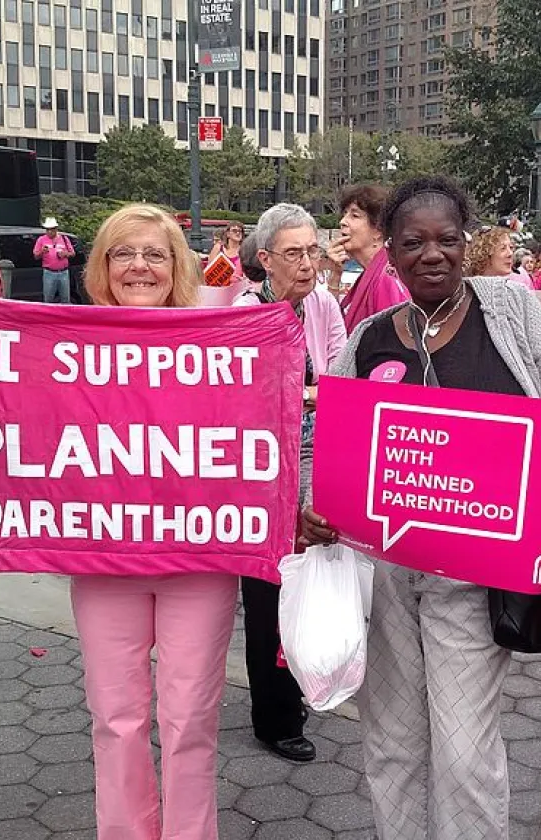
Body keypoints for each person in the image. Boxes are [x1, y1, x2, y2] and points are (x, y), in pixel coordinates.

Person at [299, 176, 541, 840]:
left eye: (447, 240)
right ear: (390, 254)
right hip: (384, 574)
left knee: (464, 755)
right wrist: (313, 508)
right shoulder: (370, 338)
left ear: (466, 243)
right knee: (392, 744)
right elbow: (331, 443)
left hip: (476, 577)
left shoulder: (511, 312)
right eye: (413, 243)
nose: (432, 254)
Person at [57, 203, 233, 840]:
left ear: (176, 266)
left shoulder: (218, 343)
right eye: (123, 253)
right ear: (101, 267)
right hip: (104, 559)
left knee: (189, 721)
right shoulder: (64, 347)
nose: (139, 266)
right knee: (116, 720)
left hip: (199, 560)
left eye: (155, 254)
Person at [235, 203, 347, 764]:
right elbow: (241, 390)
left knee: (308, 575)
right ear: (265, 259)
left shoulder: (322, 303)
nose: (307, 264)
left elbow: (342, 372)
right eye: (294, 253)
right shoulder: (244, 311)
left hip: (314, 453)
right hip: (260, 463)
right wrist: (310, 393)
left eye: (313, 252)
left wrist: (316, 395)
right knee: (268, 589)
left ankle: (302, 683)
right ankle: (274, 716)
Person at [330, 184, 409, 334]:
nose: (343, 222)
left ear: (378, 230)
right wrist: (335, 277)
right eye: (345, 214)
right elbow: (335, 331)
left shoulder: (387, 277)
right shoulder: (369, 274)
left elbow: (392, 339)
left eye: (354, 216)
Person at [35, 216, 76, 304]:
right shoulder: (41, 240)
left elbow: (73, 253)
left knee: (65, 298)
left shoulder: (64, 239)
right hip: (49, 273)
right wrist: (42, 252)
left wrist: (65, 254)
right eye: (47, 229)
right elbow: (36, 256)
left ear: (56, 229)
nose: (49, 232)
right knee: (48, 299)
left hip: (63, 272)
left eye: (52, 229)